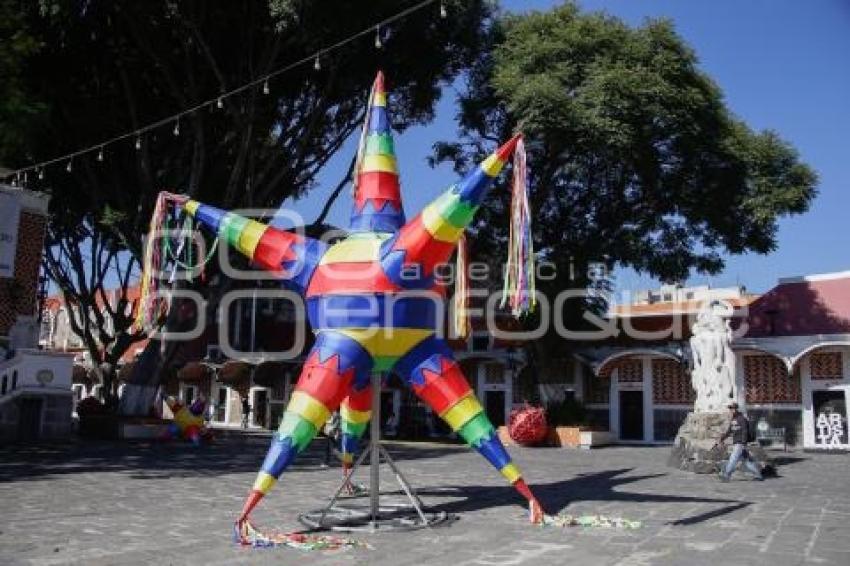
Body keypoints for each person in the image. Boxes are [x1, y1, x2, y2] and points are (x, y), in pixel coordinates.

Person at [716, 402, 763, 481]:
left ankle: (726, 475)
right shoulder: (733, 420)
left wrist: (743, 443)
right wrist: (721, 438)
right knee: (746, 461)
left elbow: (745, 431)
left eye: (732, 408)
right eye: (730, 408)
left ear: (736, 409)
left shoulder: (742, 419)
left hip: (740, 443)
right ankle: (758, 475)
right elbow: (729, 431)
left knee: (733, 458)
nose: (731, 410)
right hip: (738, 443)